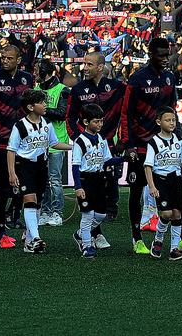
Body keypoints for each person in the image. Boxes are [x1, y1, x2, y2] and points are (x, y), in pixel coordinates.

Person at [120, 36, 177, 254]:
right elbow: (126, 113)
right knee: (136, 191)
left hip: (163, 146)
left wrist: (176, 138)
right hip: (141, 145)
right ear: (151, 54)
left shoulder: (170, 78)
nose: (165, 59)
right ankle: (137, 238)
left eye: (167, 54)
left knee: (168, 190)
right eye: (161, 55)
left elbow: (171, 111)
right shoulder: (137, 79)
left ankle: (171, 237)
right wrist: (129, 144)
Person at [0, 44, 34, 247]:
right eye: (3, 58)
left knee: (20, 186)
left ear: (19, 60)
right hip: (0, 141)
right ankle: (0, 229)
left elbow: (31, 109)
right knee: (2, 187)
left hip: (23, 143)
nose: (5, 61)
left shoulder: (27, 79)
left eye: (10, 58)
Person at [6, 89, 71, 254]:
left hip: (41, 166)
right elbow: (11, 151)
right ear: (30, 107)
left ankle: (29, 241)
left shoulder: (46, 123)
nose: (45, 106)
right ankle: (35, 237)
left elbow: (54, 144)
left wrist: (74, 147)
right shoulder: (20, 126)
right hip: (24, 166)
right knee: (30, 200)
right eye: (42, 103)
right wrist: (12, 173)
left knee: (38, 203)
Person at [65, 50, 126, 217]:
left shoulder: (116, 87)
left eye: (89, 64)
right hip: (87, 143)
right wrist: (77, 138)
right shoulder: (77, 89)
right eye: (85, 64)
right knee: (90, 176)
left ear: (100, 67)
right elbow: (70, 116)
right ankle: (89, 207)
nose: (85, 68)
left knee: (111, 175)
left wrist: (123, 139)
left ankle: (111, 210)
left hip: (109, 140)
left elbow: (126, 112)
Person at [143, 106, 182, 261]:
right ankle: (158, 240)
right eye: (168, 120)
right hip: (161, 180)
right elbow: (148, 166)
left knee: (177, 214)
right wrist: (151, 186)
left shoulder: (179, 139)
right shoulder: (154, 142)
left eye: (173, 120)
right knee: (166, 214)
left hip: (176, 180)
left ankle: (174, 249)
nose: (172, 123)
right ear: (159, 122)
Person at [71, 104, 119, 258]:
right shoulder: (80, 141)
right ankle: (86, 246)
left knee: (100, 215)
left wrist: (124, 158)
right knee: (87, 214)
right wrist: (78, 187)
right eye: (96, 122)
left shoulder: (101, 138)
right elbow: (75, 166)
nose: (99, 125)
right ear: (86, 122)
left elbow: (107, 160)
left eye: (101, 121)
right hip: (86, 180)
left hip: (99, 179)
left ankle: (80, 234)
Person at [35, 60, 68, 226]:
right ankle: (46, 211)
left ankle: (57, 212)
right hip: (39, 142)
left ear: (45, 72)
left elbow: (62, 114)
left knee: (54, 179)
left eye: (37, 70)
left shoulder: (62, 89)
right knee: (43, 180)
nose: (34, 73)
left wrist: (41, 111)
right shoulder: (35, 89)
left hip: (57, 142)